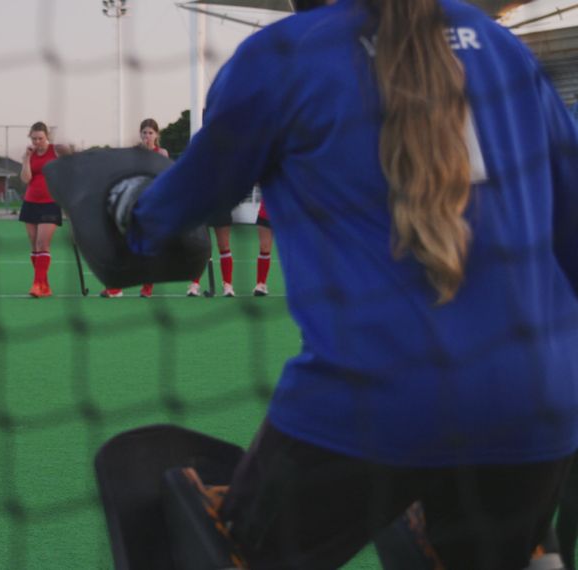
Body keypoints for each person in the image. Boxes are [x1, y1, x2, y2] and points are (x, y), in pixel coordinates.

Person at [123, 0, 578, 567]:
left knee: (207, 545)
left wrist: (129, 216)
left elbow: (186, 201)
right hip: (535, 401)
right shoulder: (501, 46)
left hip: (369, 400)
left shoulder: (284, 54)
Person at [101, 118, 169, 299]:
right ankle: (116, 287)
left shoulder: (161, 153)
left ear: (156, 135)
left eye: (150, 133)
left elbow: (163, 177)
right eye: (144, 132)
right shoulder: (135, 153)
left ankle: (147, 286)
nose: (147, 136)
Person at [185, 196, 273, 298]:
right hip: (201, 206)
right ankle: (195, 284)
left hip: (221, 207)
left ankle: (227, 285)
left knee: (224, 246)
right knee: (201, 246)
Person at [18, 121, 62, 298]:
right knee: (34, 245)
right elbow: (26, 179)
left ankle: (37, 284)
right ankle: (44, 285)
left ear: (47, 137)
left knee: (42, 244)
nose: (37, 142)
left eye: (41, 138)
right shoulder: (30, 154)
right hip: (30, 202)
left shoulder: (55, 152)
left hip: (50, 202)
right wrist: (26, 159)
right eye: (34, 138)